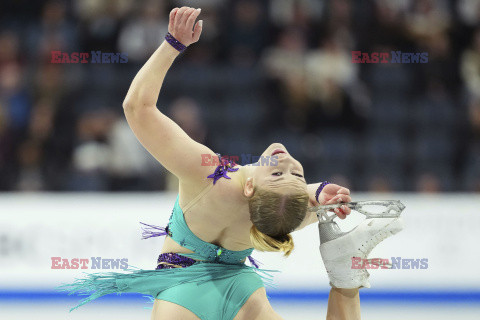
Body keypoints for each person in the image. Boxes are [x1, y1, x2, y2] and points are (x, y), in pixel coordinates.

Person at [61, 7, 403, 320]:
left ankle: (345, 280)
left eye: (281, 172)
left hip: (187, 293)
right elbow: (293, 206)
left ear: (253, 185)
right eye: (291, 171)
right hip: (232, 291)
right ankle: (345, 282)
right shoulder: (271, 209)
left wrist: (172, 45)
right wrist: (319, 194)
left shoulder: (214, 175)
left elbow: (138, 107)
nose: (284, 160)